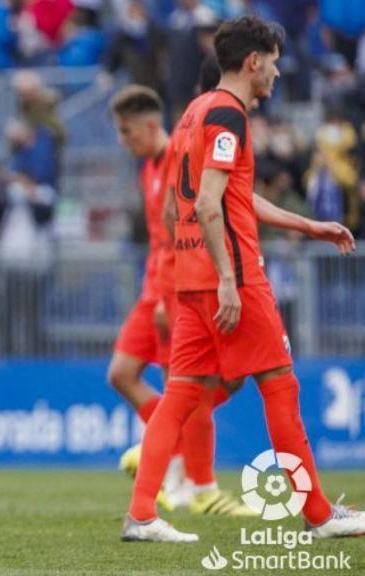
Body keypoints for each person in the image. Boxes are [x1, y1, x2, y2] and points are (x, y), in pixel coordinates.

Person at [122, 16, 363, 542]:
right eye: (273, 61)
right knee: (280, 385)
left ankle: (141, 515)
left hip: (188, 277)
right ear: (254, 61)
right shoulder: (229, 115)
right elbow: (210, 204)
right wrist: (230, 280)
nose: (276, 72)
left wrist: (307, 224)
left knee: (181, 393)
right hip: (230, 276)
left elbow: (227, 196)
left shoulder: (195, 111)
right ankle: (319, 514)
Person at [108, 85, 255, 517]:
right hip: (153, 285)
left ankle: (191, 479)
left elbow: (183, 231)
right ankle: (169, 450)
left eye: (126, 131)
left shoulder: (177, 156)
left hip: (176, 286)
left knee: (198, 383)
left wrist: (170, 293)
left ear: (151, 125)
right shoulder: (147, 167)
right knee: (123, 374)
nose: (123, 140)